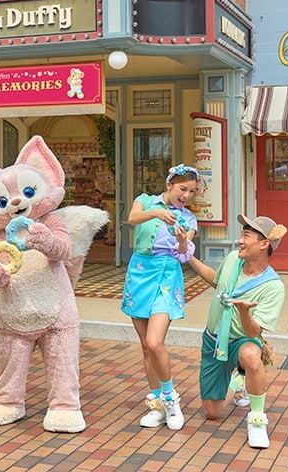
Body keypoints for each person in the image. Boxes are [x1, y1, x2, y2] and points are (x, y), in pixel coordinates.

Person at [187, 214, 287, 449]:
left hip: (243, 340)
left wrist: (244, 313)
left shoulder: (273, 287)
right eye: (242, 234)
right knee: (212, 412)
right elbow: (216, 280)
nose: (240, 241)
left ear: (264, 244)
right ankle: (238, 381)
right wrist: (187, 256)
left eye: (246, 235)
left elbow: (254, 331)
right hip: (214, 340)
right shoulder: (232, 259)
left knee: (252, 355)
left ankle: (257, 420)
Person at [121, 164, 199, 431]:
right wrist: (156, 212)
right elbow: (132, 219)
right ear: (169, 185)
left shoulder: (188, 219)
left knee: (155, 343)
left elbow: (183, 253)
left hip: (167, 276)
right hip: (140, 273)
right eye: (182, 189)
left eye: (191, 191)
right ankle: (156, 405)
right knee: (145, 347)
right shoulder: (144, 202)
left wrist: (180, 240)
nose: (186, 195)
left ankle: (170, 399)